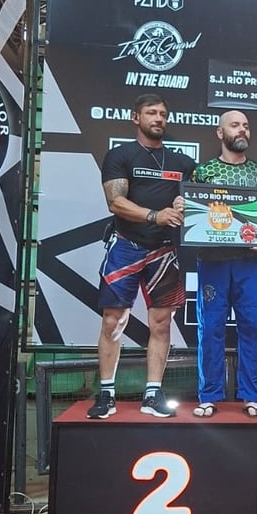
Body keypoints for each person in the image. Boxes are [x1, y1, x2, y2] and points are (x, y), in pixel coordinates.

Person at [87, 93, 195, 419]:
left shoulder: (181, 163)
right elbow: (115, 202)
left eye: (162, 113)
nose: (158, 118)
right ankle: (106, 394)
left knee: (161, 323)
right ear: (136, 118)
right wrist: (154, 216)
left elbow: (207, 193)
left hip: (164, 251)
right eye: (151, 113)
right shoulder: (120, 155)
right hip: (126, 246)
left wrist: (185, 202)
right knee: (113, 321)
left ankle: (153, 393)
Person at [191, 110, 257, 418]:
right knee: (210, 329)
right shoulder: (202, 172)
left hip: (250, 262)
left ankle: (252, 395)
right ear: (220, 133)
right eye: (234, 125)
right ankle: (209, 395)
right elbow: (189, 209)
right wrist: (181, 205)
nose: (242, 130)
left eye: (246, 125)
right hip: (212, 262)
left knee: (254, 328)